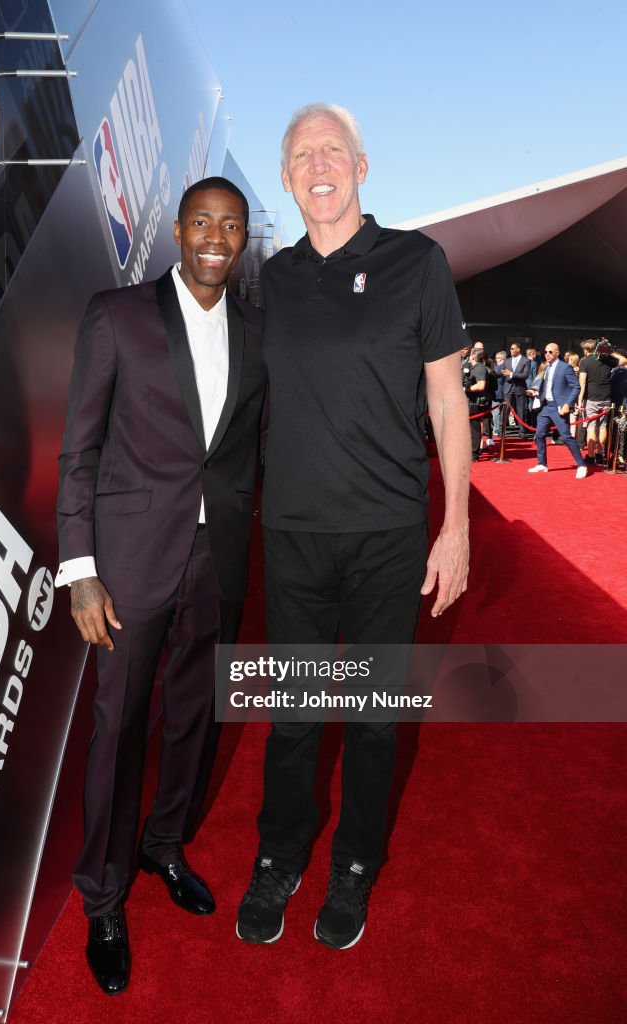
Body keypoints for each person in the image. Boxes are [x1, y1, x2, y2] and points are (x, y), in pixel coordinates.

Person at [236, 103, 470, 951]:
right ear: (288, 177)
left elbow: (447, 403)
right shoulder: (271, 279)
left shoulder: (418, 261)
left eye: (332, 149)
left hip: (388, 538)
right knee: (293, 713)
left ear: (362, 168)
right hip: (293, 535)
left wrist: (457, 529)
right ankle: (279, 853)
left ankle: (356, 864)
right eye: (301, 154)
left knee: (373, 717)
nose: (318, 163)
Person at [56, 177, 266, 994]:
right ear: (178, 231)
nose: (216, 236)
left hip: (221, 560)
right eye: (203, 222)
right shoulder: (117, 315)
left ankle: (164, 844)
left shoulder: (258, 329)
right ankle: (103, 897)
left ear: (244, 238)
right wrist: (80, 571)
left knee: (195, 716)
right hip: (131, 561)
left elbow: (249, 449)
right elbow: (79, 451)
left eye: (232, 225)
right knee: (118, 728)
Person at [526, 343, 586, 478]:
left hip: (558, 407)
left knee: (566, 436)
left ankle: (581, 465)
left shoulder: (565, 367)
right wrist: (535, 393)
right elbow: (547, 388)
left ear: (557, 353)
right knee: (540, 434)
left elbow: (576, 387)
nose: (547, 354)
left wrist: (567, 404)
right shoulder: (547, 367)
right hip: (545, 406)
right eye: (546, 352)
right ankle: (542, 464)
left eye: (550, 352)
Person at [578, 338, 613, 464]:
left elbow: (582, 383)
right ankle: (599, 454)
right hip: (606, 398)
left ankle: (591, 456)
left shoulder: (585, 361)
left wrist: (580, 401)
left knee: (591, 427)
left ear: (587, 349)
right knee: (603, 426)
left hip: (592, 398)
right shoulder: (609, 360)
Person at [501, 342, 532, 438]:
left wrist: (511, 374)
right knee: (505, 410)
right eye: (510, 349)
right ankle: (502, 431)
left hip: (520, 387)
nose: (511, 350)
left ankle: (522, 431)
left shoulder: (526, 361)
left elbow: (525, 375)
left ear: (518, 349)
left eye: (512, 348)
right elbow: (503, 372)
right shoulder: (507, 361)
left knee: (521, 410)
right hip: (508, 387)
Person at [464, 346, 489, 461]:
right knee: (469, 429)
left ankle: (474, 454)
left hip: (474, 403)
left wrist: (465, 389)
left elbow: (481, 385)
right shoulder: (472, 367)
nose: (469, 357)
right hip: (469, 402)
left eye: (470, 355)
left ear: (473, 356)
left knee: (474, 429)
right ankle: (471, 451)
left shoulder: (479, 368)